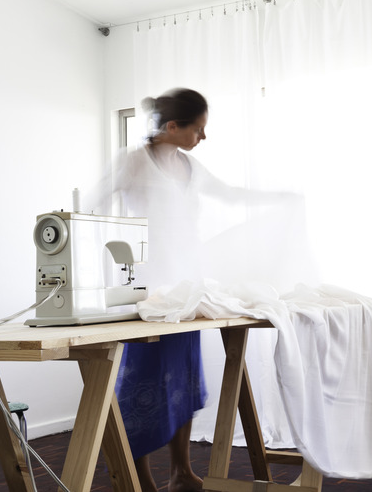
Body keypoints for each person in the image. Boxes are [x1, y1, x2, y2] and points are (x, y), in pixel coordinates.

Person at [112, 88, 220, 492]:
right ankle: (140, 478)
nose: (203, 138)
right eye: (199, 129)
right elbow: (90, 204)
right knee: (139, 384)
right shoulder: (133, 162)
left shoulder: (190, 167)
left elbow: (227, 194)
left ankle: (180, 471)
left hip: (185, 291)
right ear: (173, 126)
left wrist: (282, 200)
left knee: (183, 379)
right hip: (146, 293)